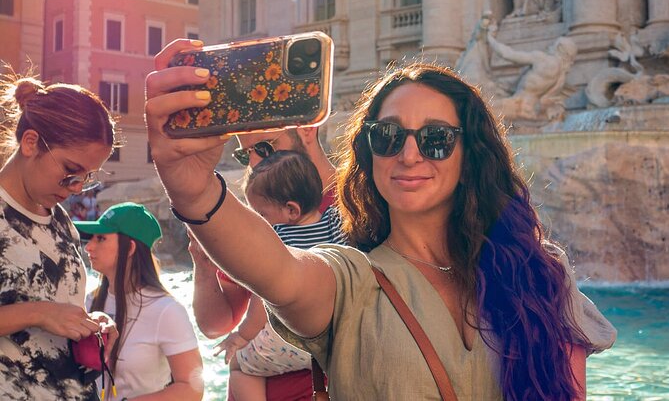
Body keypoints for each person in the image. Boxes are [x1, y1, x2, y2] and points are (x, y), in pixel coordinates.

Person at [145, 39, 616, 400]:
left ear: (469, 154)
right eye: (388, 136)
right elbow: (277, 269)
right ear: (369, 154)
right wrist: (194, 188)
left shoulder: (538, 270)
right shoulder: (350, 280)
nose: (409, 154)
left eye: (435, 138)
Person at [192, 119, 337, 399]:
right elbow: (215, 325)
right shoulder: (262, 215)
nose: (255, 163)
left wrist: (243, 337)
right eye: (245, 154)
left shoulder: (364, 201)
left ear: (307, 129)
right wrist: (203, 264)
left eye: (265, 147)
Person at [0, 72, 119, 400]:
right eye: (71, 171)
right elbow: (44, 312)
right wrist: (39, 312)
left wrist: (91, 323)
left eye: (86, 177)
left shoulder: (62, 221)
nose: (78, 188)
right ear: (30, 143)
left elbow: (60, 310)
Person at [75, 202, 204, 400]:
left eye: (101, 238)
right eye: (91, 238)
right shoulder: (89, 301)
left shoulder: (166, 310)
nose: (89, 247)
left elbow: (191, 389)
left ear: (130, 248)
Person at [487, 32, 578, 122]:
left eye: (553, 45)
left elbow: (508, 54)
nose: (549, 47)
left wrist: (490, 38)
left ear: (559, 47)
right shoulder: (561, 77)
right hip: (531, 110)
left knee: (481, 112)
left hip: (518, 105)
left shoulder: (544, 60)